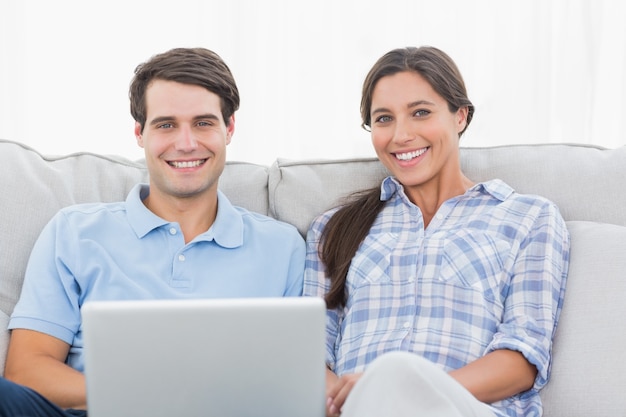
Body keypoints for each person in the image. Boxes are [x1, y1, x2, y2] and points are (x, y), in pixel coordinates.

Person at [0, 47, 305, 416]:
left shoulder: (283, 247)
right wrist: (149, 398)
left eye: (203, 123)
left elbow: (292, 384)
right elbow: (26, 371)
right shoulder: (74, 232)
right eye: (166, 125)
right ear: (140, 134)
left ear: (230, 129)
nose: (186, 143)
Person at [304, 46, 570, 417]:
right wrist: (359, 399)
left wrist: (408, 391)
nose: (401, 135)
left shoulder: (529, 217)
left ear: (460, 116)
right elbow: (311, 355)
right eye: (383, 119)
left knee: (395, 372)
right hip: (359, 410)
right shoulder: (334, 229)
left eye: (421, 113)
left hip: (465, 409)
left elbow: (522, 359)